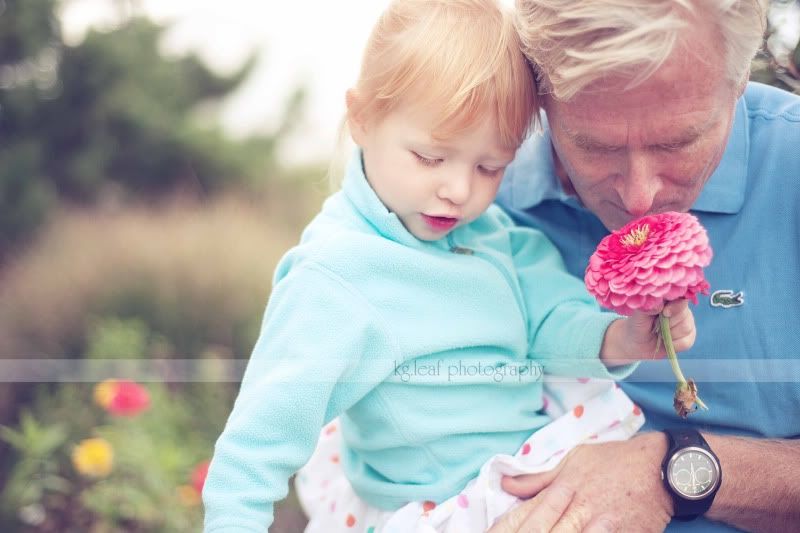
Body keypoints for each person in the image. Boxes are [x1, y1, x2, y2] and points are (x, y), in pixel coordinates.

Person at [200, 1, 697, 531]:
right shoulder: (337, 276)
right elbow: (257, 448)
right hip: (447, 512)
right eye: (430, 158)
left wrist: (622, 338)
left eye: (489, 167)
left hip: (529, 474)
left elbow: (549, 322)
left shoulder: (493, 236)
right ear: (362, 119)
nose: (459, 192)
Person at [490, 0, 800, 532]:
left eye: (676, 143)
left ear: (740, 77)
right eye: (593, 147)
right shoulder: (478, 200)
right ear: (539, 99)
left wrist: (675, 470)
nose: (638, 199)